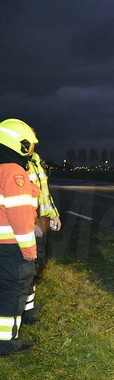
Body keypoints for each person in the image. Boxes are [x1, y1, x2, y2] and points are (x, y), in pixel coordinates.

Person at [0, 118, 39, 356]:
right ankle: (6, 344)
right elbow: (21, 220)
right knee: (12, 296)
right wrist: (30, 253)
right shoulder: (14, 173)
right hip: (12, 249)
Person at [20, 121, 61, 325]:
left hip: (41, 223)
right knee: (26, 268)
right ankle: (21, 309)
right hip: (25, 224)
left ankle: (29, 308)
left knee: (38, 265)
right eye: (30, 143)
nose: (33, 147)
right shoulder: (16, 164)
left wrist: (53, 215)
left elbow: (44, 194)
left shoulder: (36, 162)